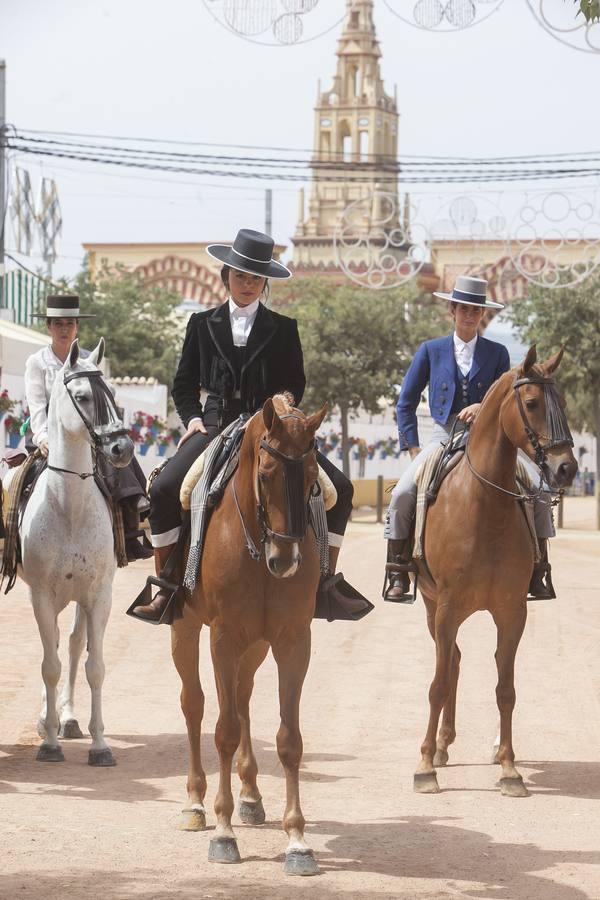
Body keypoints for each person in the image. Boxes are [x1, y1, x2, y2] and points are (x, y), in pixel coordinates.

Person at [132, 228, 371, 623]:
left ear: (264, 282)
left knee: (340, 490)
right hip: (214, 427)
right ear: (226, 277)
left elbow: (295, 384)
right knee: (163, 489)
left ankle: (326, 582)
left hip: (270, 428)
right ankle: (166, 586)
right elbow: (184, 382)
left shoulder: (284, 327)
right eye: (241, 276)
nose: (248, 284)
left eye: (256, 278)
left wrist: (284, 409)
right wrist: (192, 419)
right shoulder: (200, 323)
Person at [383, 275, 556, 603]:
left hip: (488, 438)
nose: (469, 315)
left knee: (540, 490)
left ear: (481, 314)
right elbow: (405, 401)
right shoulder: (430, 350)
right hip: (443, 435)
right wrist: (412, 446)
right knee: (403, 491)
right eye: (464, 308)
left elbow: (505, 398)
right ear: (453, 309)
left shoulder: (497, 353)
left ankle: (538, 569)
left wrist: (482, 405)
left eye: (476, 310)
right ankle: (398, 569)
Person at [25, 294, 151, 562]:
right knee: (19, 481)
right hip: (46, 437)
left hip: (85, 435)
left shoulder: (87, 360)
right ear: (48, 326)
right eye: (58, 324)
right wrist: (42, 437)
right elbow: (36, 405)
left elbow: (102, 399)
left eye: (69, 323)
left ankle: (130, 532)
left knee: (117, 457)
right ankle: (15, 541)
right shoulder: (37, 362)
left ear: (77, 327)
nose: (64, 329)